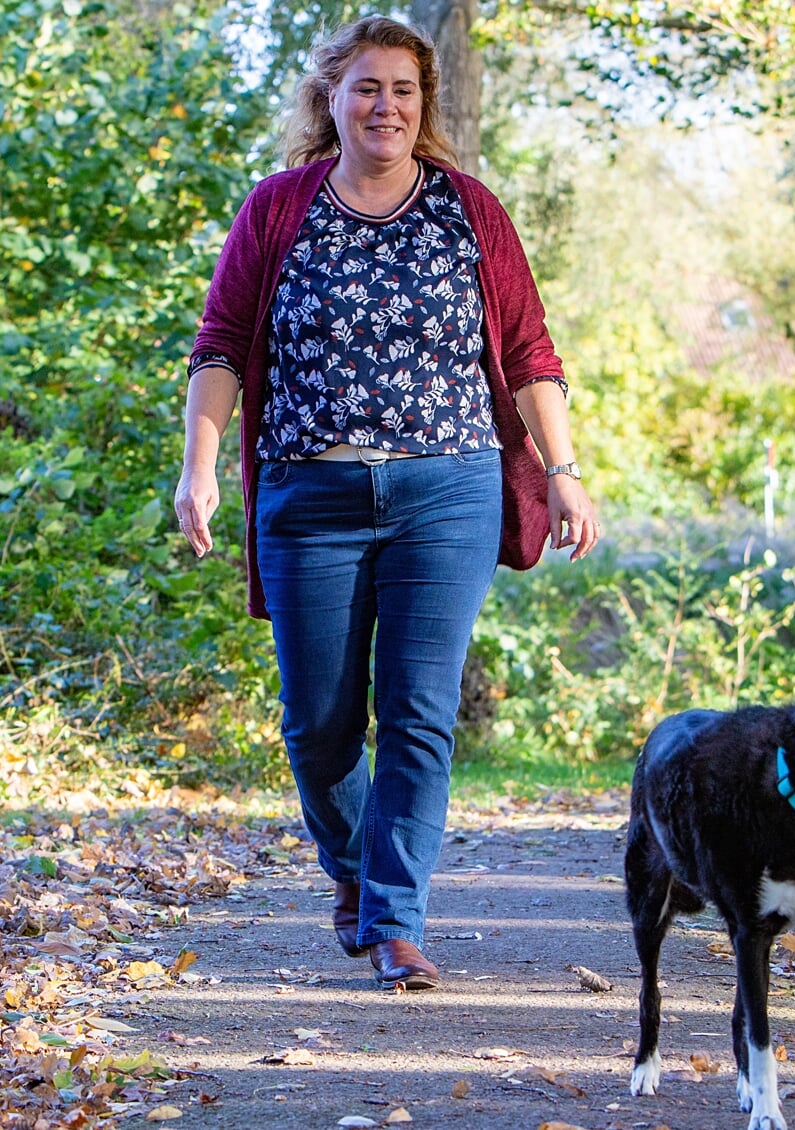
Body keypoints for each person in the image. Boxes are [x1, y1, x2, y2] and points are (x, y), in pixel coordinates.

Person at [171, 15, 599, 990]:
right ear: (331, 96)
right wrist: (196, 469)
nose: (386, 107)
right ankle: (360, 875)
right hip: (308, 489)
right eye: (367, 87)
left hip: (446, 487)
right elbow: (221, 345)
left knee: (418, 711)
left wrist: (565, 470)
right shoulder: (278, 208)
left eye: (404, 90)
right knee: (319, 724)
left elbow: (530, 351)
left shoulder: (469, 210)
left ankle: (397, 922)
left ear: (424, 105)